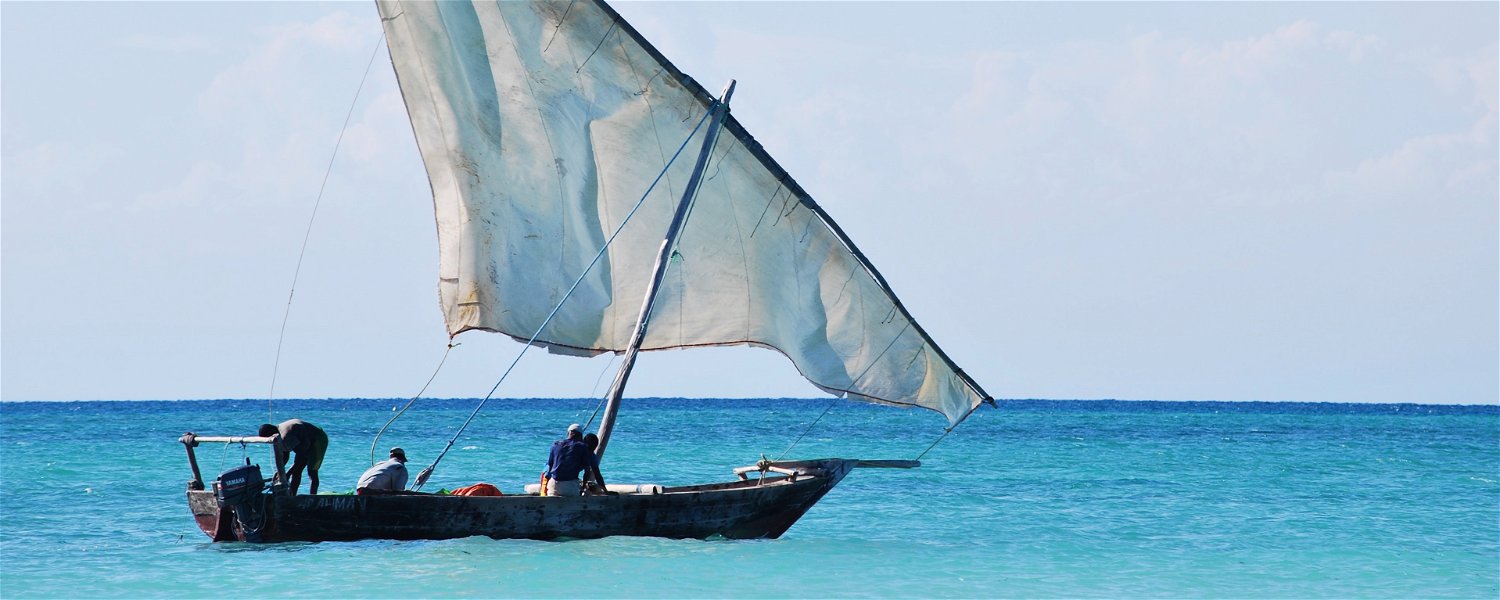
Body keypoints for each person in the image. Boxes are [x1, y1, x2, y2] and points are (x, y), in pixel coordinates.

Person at [257, 419, 328, 495]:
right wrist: (279, 472)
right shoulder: (279, 432)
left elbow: (301, 457)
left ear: (271, 434)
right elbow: (285, 456)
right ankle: (293, 496)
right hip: (303, 441)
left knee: (312, 472)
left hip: (318, 440)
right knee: (296, 472)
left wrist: (288, 473)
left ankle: (313, 498)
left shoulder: (286, 436)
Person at [542, 423, 598, 497]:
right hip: (570, 487)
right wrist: (583, 487)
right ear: (579, 435)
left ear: (569, 433)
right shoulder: (582, 447)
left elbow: (549, 468)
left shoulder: (555, 445)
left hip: (554, 485)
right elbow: (587, 471)